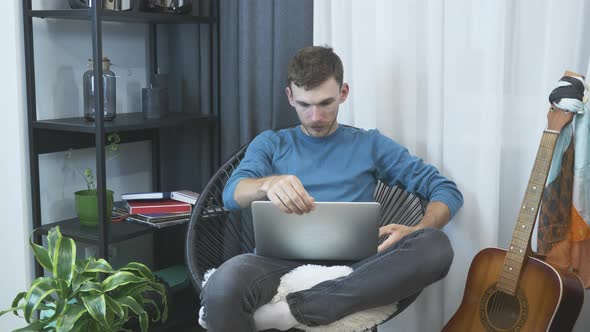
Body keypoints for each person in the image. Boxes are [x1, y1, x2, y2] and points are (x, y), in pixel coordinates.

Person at [200, 46, 463, 331]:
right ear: (290, 96)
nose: (315, 117)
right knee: (222, 284)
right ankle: (313, 308)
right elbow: (231, 195)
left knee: (435, 247)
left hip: (357, 269)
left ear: (343, 93)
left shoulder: (369, 144)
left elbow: (445, 190)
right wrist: (268, 183)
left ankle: (291, 312)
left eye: (326, 103)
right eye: (304, 105)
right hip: (275, 264)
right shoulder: (271, 143)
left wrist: (418, 229)